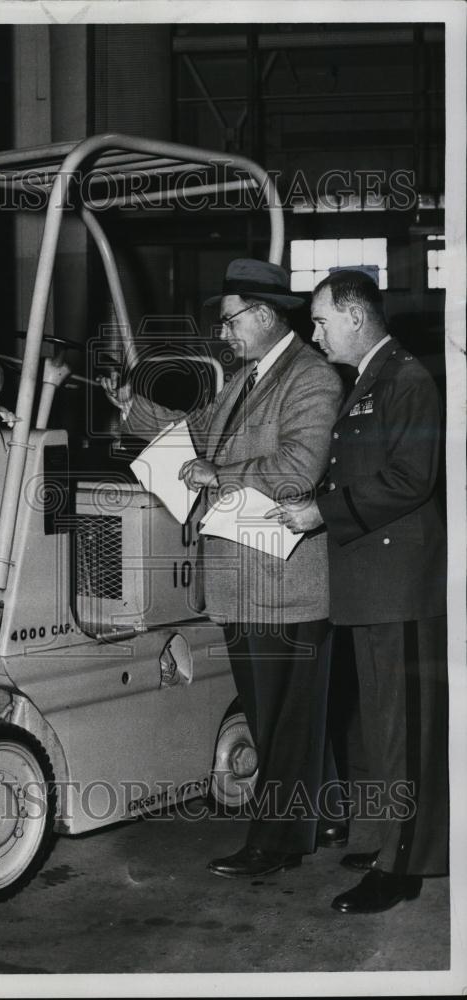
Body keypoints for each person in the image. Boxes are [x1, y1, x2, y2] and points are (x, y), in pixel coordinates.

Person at [101, 258, 345, 878]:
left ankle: (278, 844)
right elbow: (196, 431)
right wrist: (136, 408)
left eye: (231, 320)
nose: (223, 334)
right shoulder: (246, 379)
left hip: (283, 583)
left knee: (283, 720)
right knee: (273, 716)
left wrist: (222, 476)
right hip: (241, 583)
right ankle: (323, 810)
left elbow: (301, 468)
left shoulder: (312, 378)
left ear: (264, 316)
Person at [269, 269, 448, 914]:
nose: (314, 336)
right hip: (373, 582)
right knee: (384, 728)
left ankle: (401, 867)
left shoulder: (407, 380)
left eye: (319, 322)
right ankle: (400, 845)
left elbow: (410, 479)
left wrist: (324, 512)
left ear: (353, 314)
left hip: (398, 584)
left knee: (403, 731)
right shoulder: (373, 379)